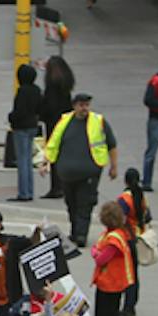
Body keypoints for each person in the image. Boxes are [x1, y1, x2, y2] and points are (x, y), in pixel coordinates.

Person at [43, 93, 120, 247]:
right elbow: (53, 143)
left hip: (89, 173)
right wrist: (45, 162)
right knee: (71, 203)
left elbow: (111, 144)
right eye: (81, 105)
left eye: (86, 105)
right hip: (67, 174)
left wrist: (114, 166)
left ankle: (81, 235)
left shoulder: (98, 122)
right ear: (74, 106)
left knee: (84, 203)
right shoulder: (64, 122)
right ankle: (74, 231)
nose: (84, 108)